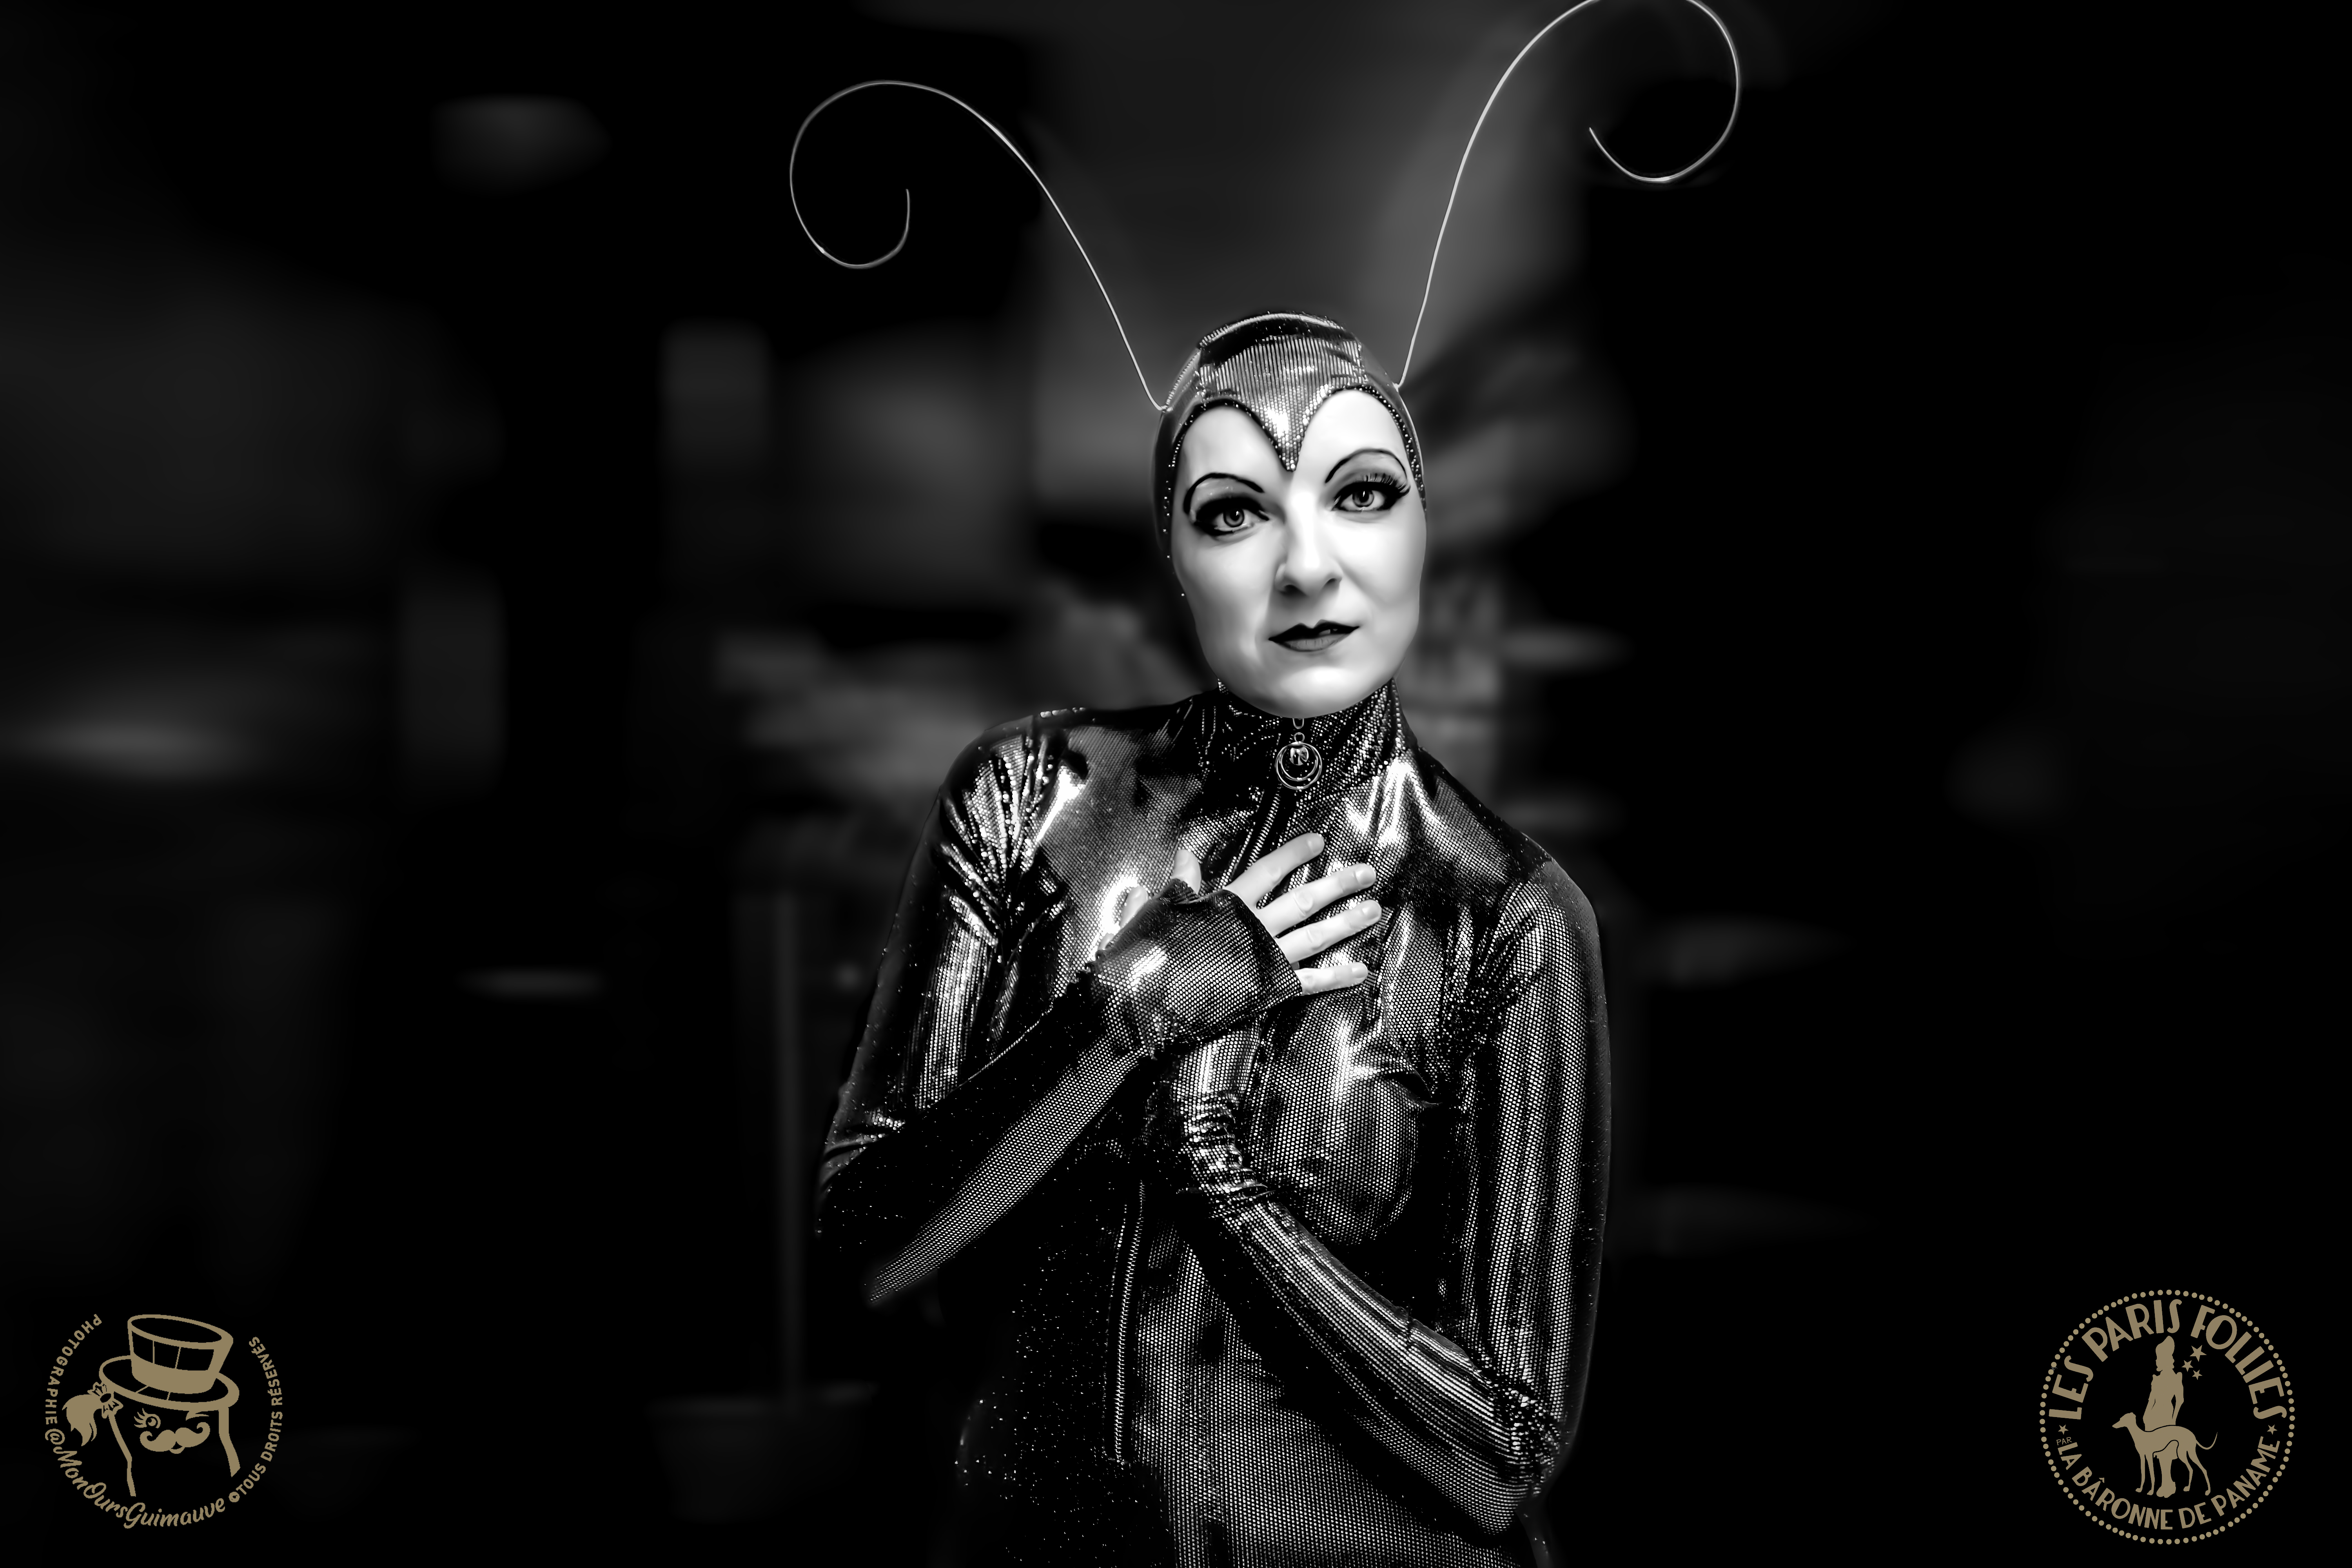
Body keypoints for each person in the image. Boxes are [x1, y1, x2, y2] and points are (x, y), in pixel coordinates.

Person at [818, 312, 1609, 1566]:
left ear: (1422, 526)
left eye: (1361, 493)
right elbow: (861, 1251)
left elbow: (1507, 1451)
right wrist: (1123, 1010)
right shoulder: (1028, 802)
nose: (1309, 568)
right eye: (1235, 512)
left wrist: (1220, 1180)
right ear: (1175, 556)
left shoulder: (1504, 914)